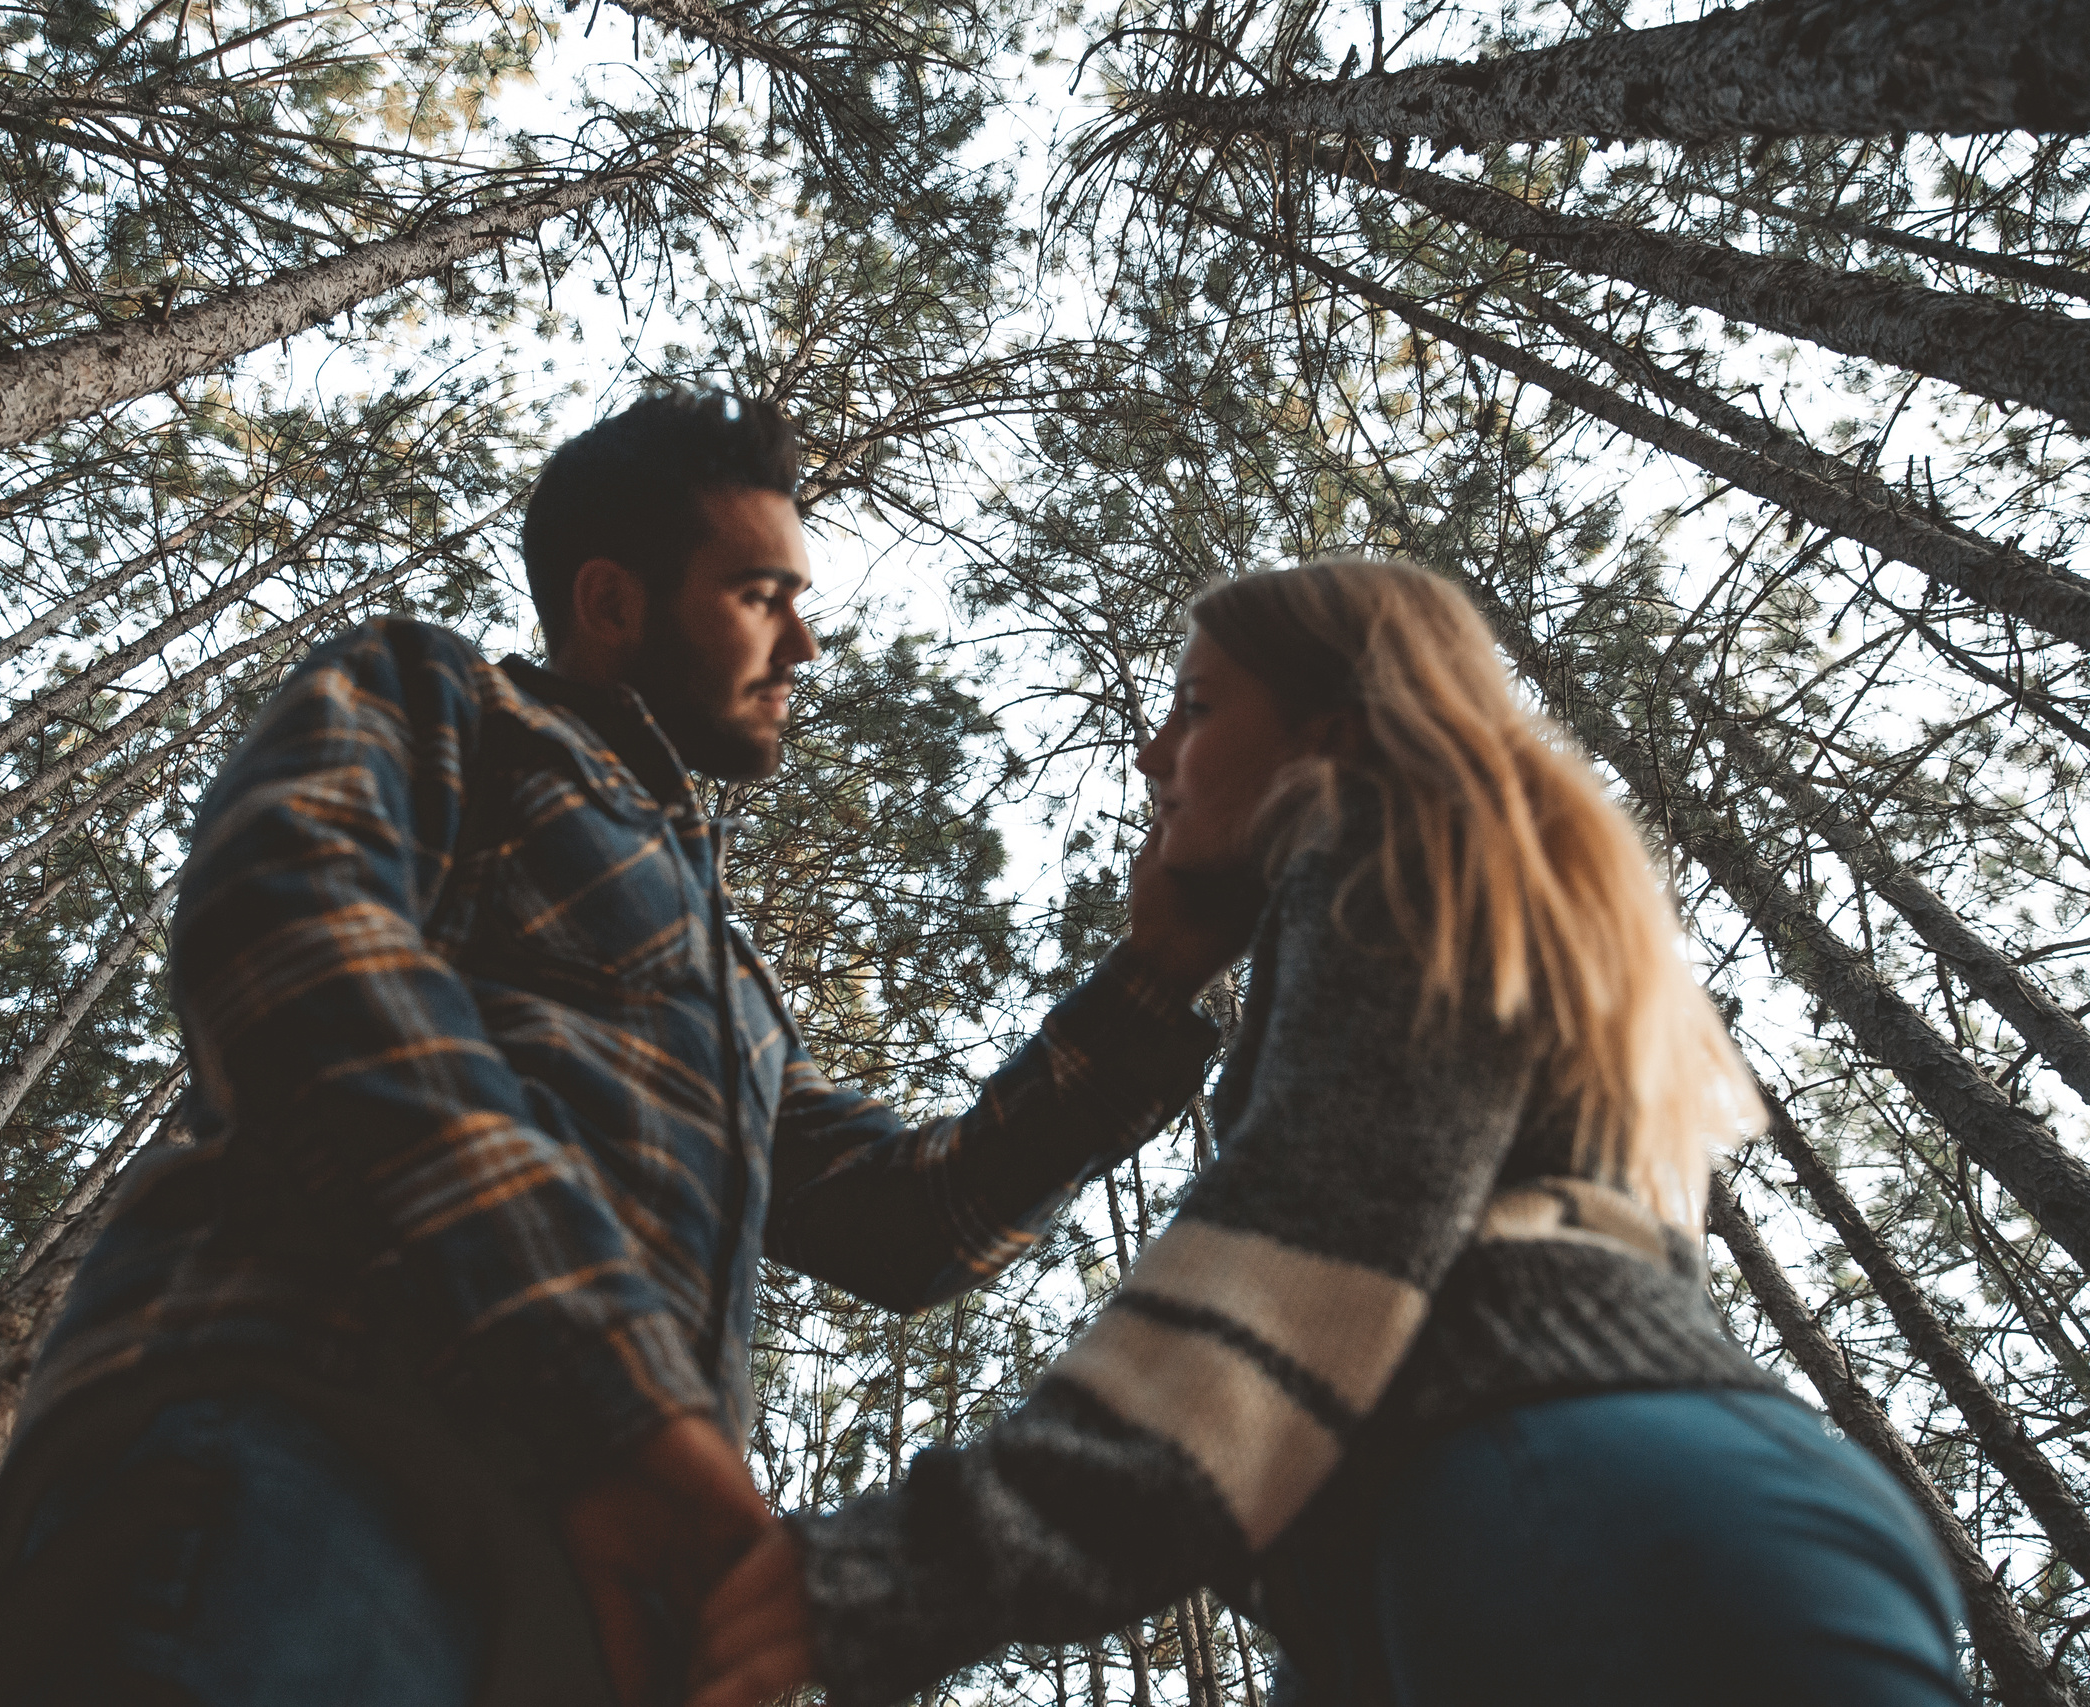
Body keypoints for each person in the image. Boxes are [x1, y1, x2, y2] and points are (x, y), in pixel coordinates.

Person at [0, 389, 1234, 1707]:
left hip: (577, 1587)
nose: (805, 642)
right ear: (611, 602)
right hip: (315, 1442)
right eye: (762, 595)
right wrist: (614, 1398)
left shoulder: (731, 986)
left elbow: (914, 1219)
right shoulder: (437, 695)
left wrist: (1159, 973)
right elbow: (294, 937)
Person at [687, 558, 1971, 1707]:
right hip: (1625, 1515)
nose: (1152, 754)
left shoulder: (1385, 838)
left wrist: (905, 1565)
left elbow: (1317, 1240)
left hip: (1568, 1504)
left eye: (1195, 707)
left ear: (1332, 728)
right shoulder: (1463, 886)